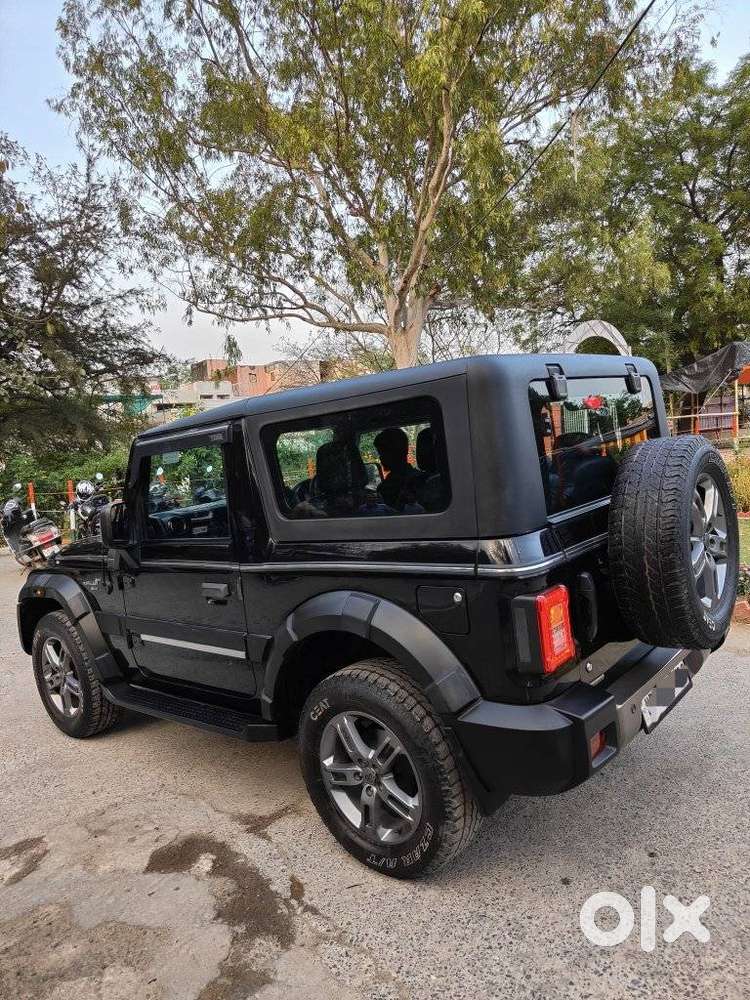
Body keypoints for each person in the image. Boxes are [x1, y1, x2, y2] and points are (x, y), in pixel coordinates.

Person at [374, 426, 423, 511]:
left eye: (381, 453)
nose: (380, 458)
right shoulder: (421, 478)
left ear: (391, 453)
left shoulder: (387, 487)